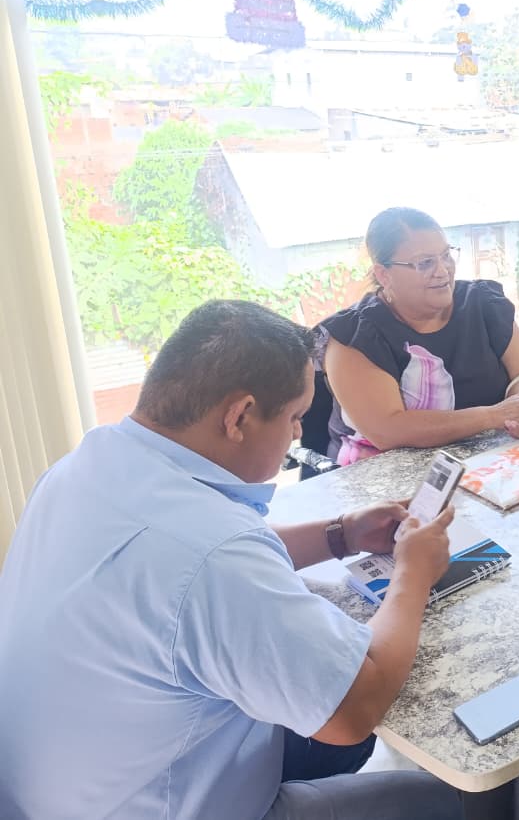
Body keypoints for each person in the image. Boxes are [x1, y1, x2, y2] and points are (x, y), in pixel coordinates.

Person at [0, 301, 463, 820]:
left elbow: (190, 566)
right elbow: (355, 706)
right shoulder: (213, 556)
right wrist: (413, 574)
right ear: (239, 416)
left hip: (63, 788)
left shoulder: (86, 466)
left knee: (326, 736)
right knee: (442, 800)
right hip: (162, 804)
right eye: (294, 418)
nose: (297, 434)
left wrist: (340, 534)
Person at [319, 207, 519, 465]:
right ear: (383, 274)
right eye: (425, 263)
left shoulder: (482, 303)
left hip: (491, 460)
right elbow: (389, 430)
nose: (443, 270)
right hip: (384, 473)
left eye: (446, 256)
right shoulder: (354, 336)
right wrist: (495, 415)